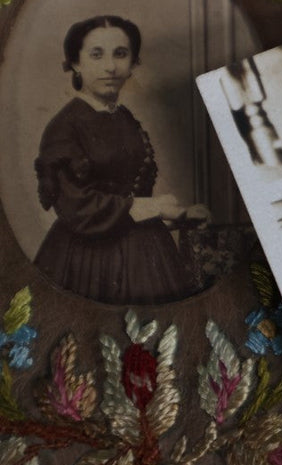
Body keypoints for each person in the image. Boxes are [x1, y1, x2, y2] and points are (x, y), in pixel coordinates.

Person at [32, 15, 207, 304]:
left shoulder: (123, 117)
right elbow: (78, 207)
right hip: (88, 257)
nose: (110, 67)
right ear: (75, 63)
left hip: (146, 251)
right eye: (96, 55)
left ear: (133, 63)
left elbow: (131, 187)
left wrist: (181, 214)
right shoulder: (64, 127)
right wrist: (157, 207)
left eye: (121, 54)